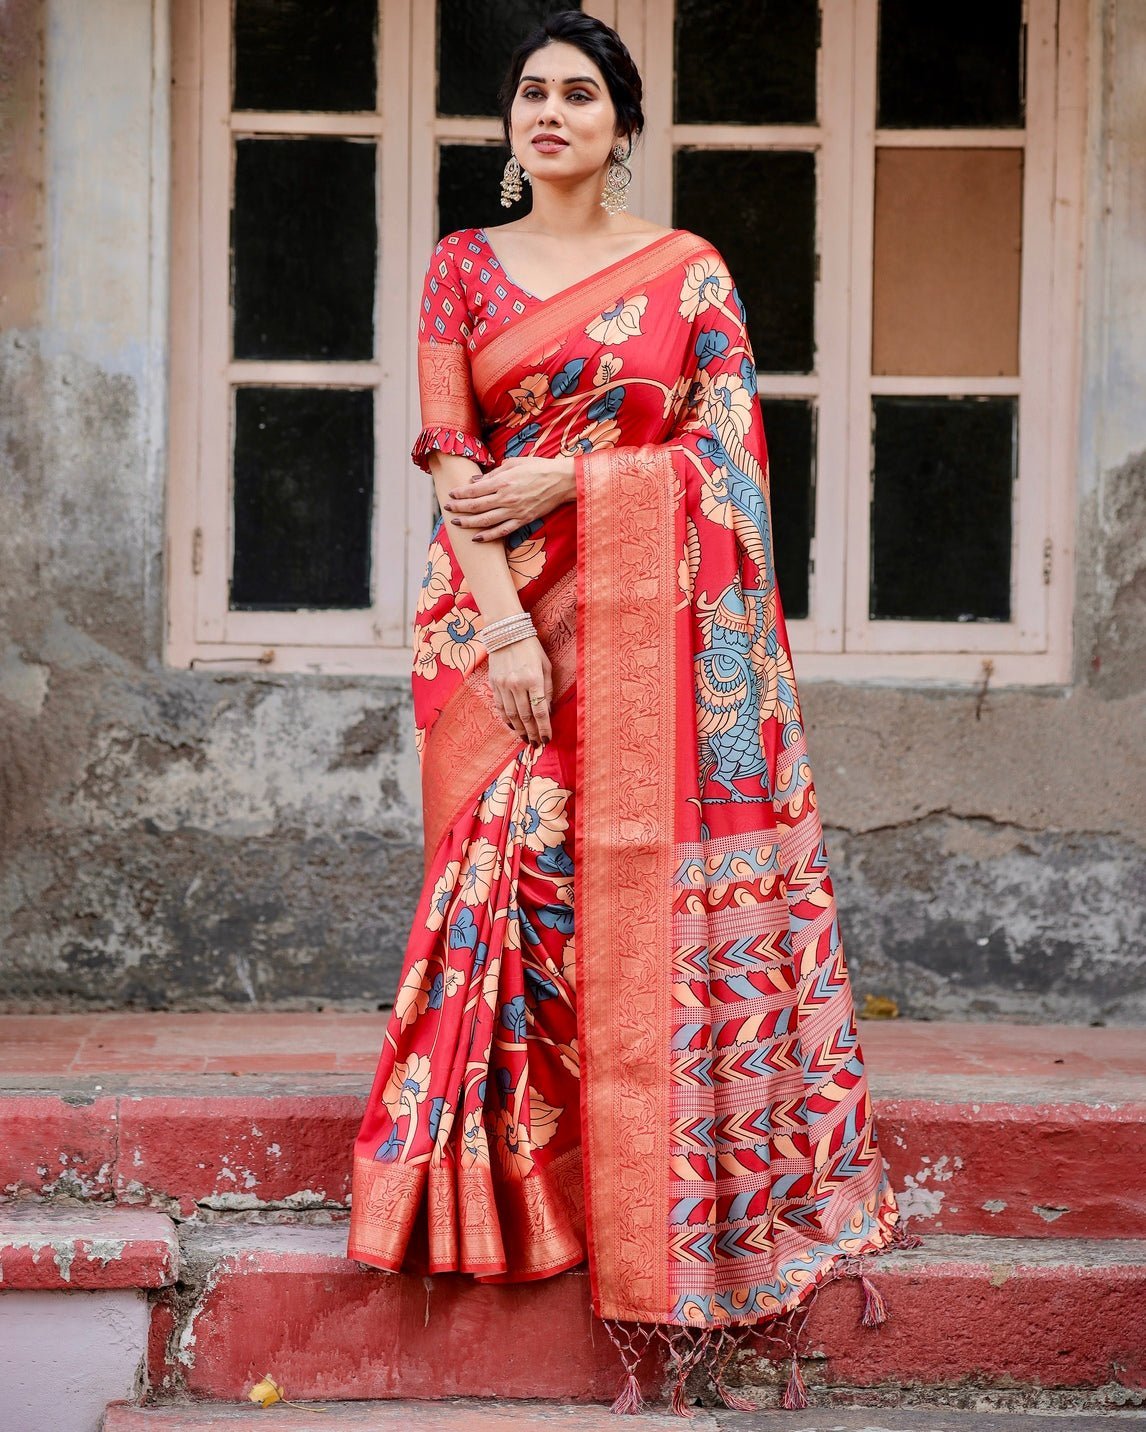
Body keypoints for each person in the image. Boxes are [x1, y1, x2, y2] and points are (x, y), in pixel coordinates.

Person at [349, 10, 916, 1414]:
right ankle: (503, 1199)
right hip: (493, 621)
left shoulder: (688, 272)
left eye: (580, 95)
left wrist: (573, 482)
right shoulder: (462, 266)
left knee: (634, 905)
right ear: (510, 123)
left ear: (622, 126)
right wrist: (502, 629)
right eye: (531, 93)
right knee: (512, 884)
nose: (550, 112)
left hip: (650, 629)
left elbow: (729, 458)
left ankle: (656, 1200)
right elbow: (451, 459)